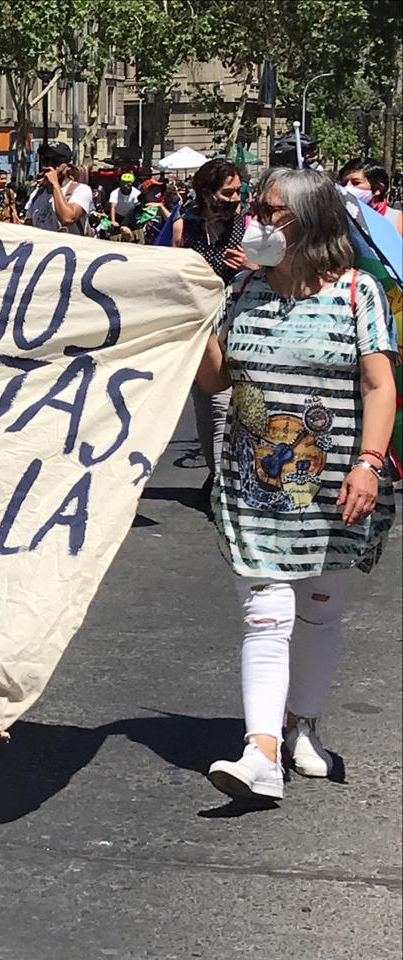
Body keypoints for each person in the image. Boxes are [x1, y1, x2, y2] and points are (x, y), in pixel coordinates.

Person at [195, 167, 398, 803]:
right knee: (267, 613)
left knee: (319, 611)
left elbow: (380, 385)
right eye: (254, 208)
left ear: (309, 222)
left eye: (269, 211)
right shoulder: (243, 287)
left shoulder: (358, 292)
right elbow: (217, 380)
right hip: (253, 486)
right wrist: (197, 323)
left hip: (337, 486)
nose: (253, 220)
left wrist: (368, 462)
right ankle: (261, 752)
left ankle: (301, 726)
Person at [172, 158, 247, 497]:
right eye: (227, 193)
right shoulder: (184, 228)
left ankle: (223, 479)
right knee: (206, 402)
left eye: (238, 191)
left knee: (225, 403)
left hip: (239, 324)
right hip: (200, 326)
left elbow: (276, 273)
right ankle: (216, 474)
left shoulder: (249, 226)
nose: (234, 199)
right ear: (205, 193)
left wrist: (252, 265)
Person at [25, 141, 93, 235]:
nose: (50, 165)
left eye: (56, 161)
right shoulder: (37, 194)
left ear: (68, 166)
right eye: (46, 160)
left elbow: (68, 218)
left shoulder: (81, 190)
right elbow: (28, 227)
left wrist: (55, 185)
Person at [338, 157, 403, 236]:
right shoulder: (339, 218)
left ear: (378, 189)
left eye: (356, 183)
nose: (347, 188)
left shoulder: (396, 221)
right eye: (344, 183)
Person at [108, 171, 142, 238]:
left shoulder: (137, 193)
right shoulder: (114, 193)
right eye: (123, 183)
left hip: (131, 218)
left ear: (132, 184)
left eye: (128, 183)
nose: (125, 186)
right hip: (118, 216)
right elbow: (113, 207)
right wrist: (113, 221)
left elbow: (137, 207)